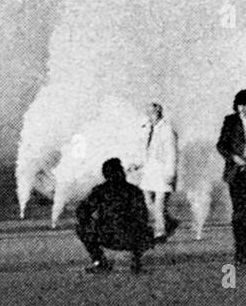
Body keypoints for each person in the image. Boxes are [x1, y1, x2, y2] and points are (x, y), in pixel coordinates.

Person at [75, 158, 154, 274]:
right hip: (133, 237)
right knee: (147, 230)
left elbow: (81, 212)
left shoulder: (100, 191)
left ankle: (99, 262)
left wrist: (94, 222)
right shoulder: (134, 191)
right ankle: (136, 263)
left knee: (81, 227)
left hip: (107, 235)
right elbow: (143, 217)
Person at [216, 89, 246, 264]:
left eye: (245, 105)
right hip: (235, 174)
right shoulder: (230, 121)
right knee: (239, 212)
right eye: (239, 105)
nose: (242, 109)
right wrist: (233, 157)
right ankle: (239, 250)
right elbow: (221, 145)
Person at [135, 102, 178, 242]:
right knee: (148, 201)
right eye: (148, 112)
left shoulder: (167, 129)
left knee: (160, 203)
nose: (150, 115)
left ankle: (160, 232)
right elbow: (143, 151)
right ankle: (169, 222)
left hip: (163, 172)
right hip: (149, 172)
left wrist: (170, 173)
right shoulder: (146, 128)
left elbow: (172, 153)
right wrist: (137, 164)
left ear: (159, 113)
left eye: (153, 112)